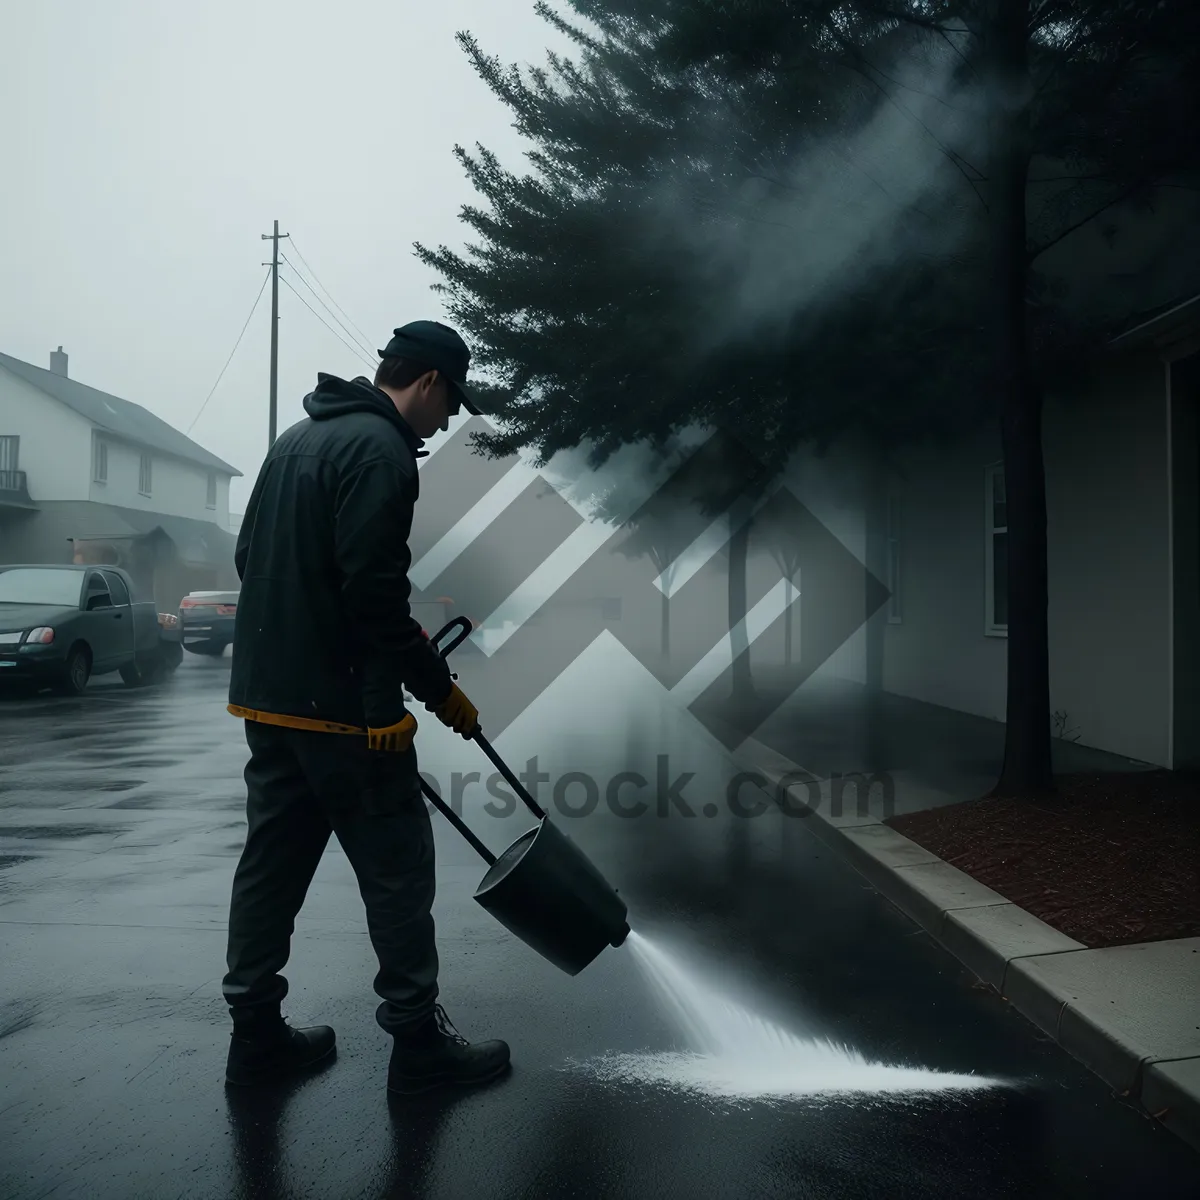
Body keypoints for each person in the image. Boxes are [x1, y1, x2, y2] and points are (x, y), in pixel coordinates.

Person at [221, 320, 511, 1095]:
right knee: (397, 872)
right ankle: (418, 1048)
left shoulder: (293, 442)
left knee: (270, 870)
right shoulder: (381, 452)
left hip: (270, 703)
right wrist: (412, 696)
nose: (445, 423)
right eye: (448, 407)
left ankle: (255, 1038)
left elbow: (250, 558)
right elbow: (375, 597)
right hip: (348, 712)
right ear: (428, 384)